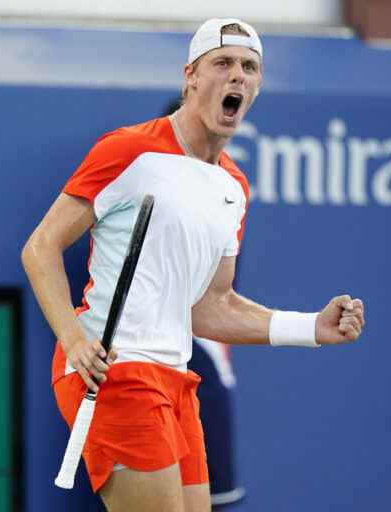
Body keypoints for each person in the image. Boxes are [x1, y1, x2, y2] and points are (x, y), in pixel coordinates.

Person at [22, 18, 366, 512]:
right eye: (222, 63)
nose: (237, 77)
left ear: (257, 87)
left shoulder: (234, 188)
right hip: (116, 369)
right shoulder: (128, 150)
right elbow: (40, 247)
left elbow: (211, 308)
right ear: (190, 76)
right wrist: (74, 341)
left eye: (249, 68)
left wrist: (311, 327)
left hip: (174, 376)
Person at [162, 97, 246, 509]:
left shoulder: (229, 195)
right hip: (145, 373)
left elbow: (217, 303)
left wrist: (305, 329)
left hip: (204, 371)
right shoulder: (136, 190)